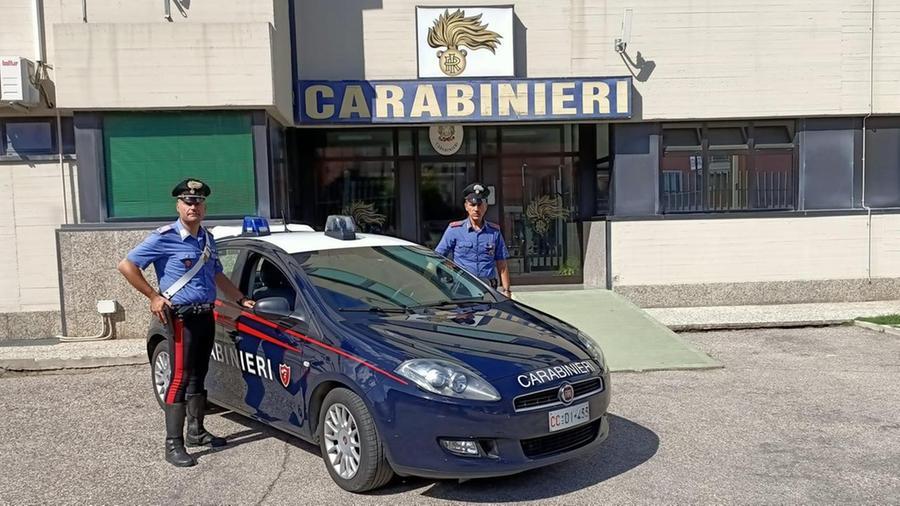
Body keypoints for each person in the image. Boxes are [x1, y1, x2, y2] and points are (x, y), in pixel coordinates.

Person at [117, 178, 255, 468]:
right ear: (178, 205)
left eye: (199, 201)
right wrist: (153, 296)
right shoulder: (164, 237)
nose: (194, 206)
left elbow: (217, 275)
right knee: (179, 377)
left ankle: (196, 432)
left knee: (199, 374)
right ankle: (173, 444)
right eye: (188, 201)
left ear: (204, 206)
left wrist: (241, 300)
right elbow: (127, 266)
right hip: (180, 315)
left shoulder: (207, 238)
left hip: (205, 313)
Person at [434, 182, 512, 296]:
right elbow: (437, 256)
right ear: (466, 206)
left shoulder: (494, 231)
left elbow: (502, 263)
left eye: (480, 205)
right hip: (462, 288)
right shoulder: (454, 230)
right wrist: (450, 272)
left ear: (486, 206)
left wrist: (507, 290)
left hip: (488, 288)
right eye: (472, 205)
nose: (476, 209)